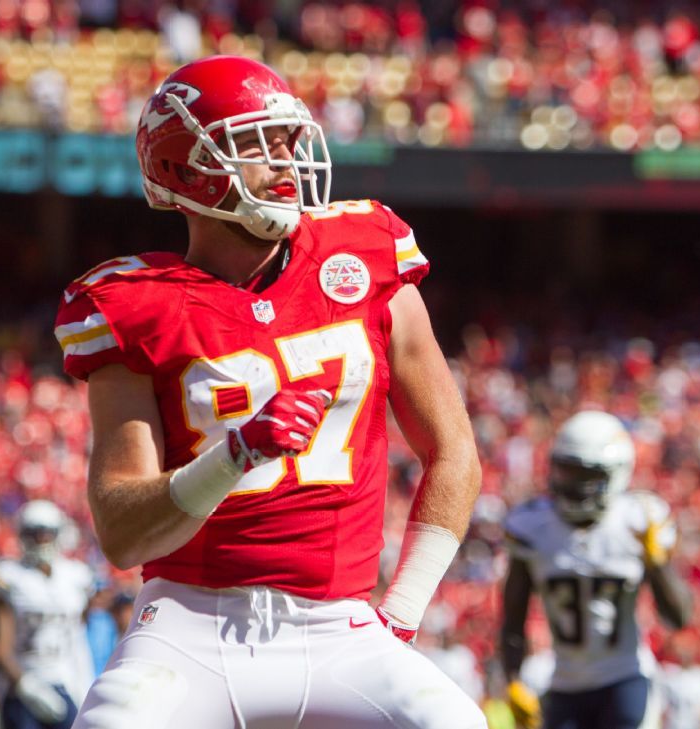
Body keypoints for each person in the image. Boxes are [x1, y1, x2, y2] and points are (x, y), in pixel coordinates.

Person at [55, 55, 485, 728]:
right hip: (189, 621)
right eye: (257, 143)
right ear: (183, 167)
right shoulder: (132, 302)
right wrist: (236, 453)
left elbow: (453, 449)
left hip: (339, 622)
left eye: (288, 139)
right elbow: (121, 529)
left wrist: (400, 611)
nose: (286, 161)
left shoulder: (364, 254)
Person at [499, 411, 692, 729]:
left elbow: (679, 617)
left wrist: (656, 564)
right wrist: (513, 681)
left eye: (584, 475)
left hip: (625, 679)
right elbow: (513, 617)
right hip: (564, 683)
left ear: (615, 474)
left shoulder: (637, 521)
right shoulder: (533, 526)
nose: (573, 484)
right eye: (566, 471)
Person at [0, 501, 95, 729]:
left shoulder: (76, 575)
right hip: (24, 682)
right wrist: (27, 685)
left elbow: (78, 633)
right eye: (36, 534)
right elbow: (0, 648)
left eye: (47, 533)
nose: (42, 539)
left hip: (66, 679)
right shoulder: (9, 575)